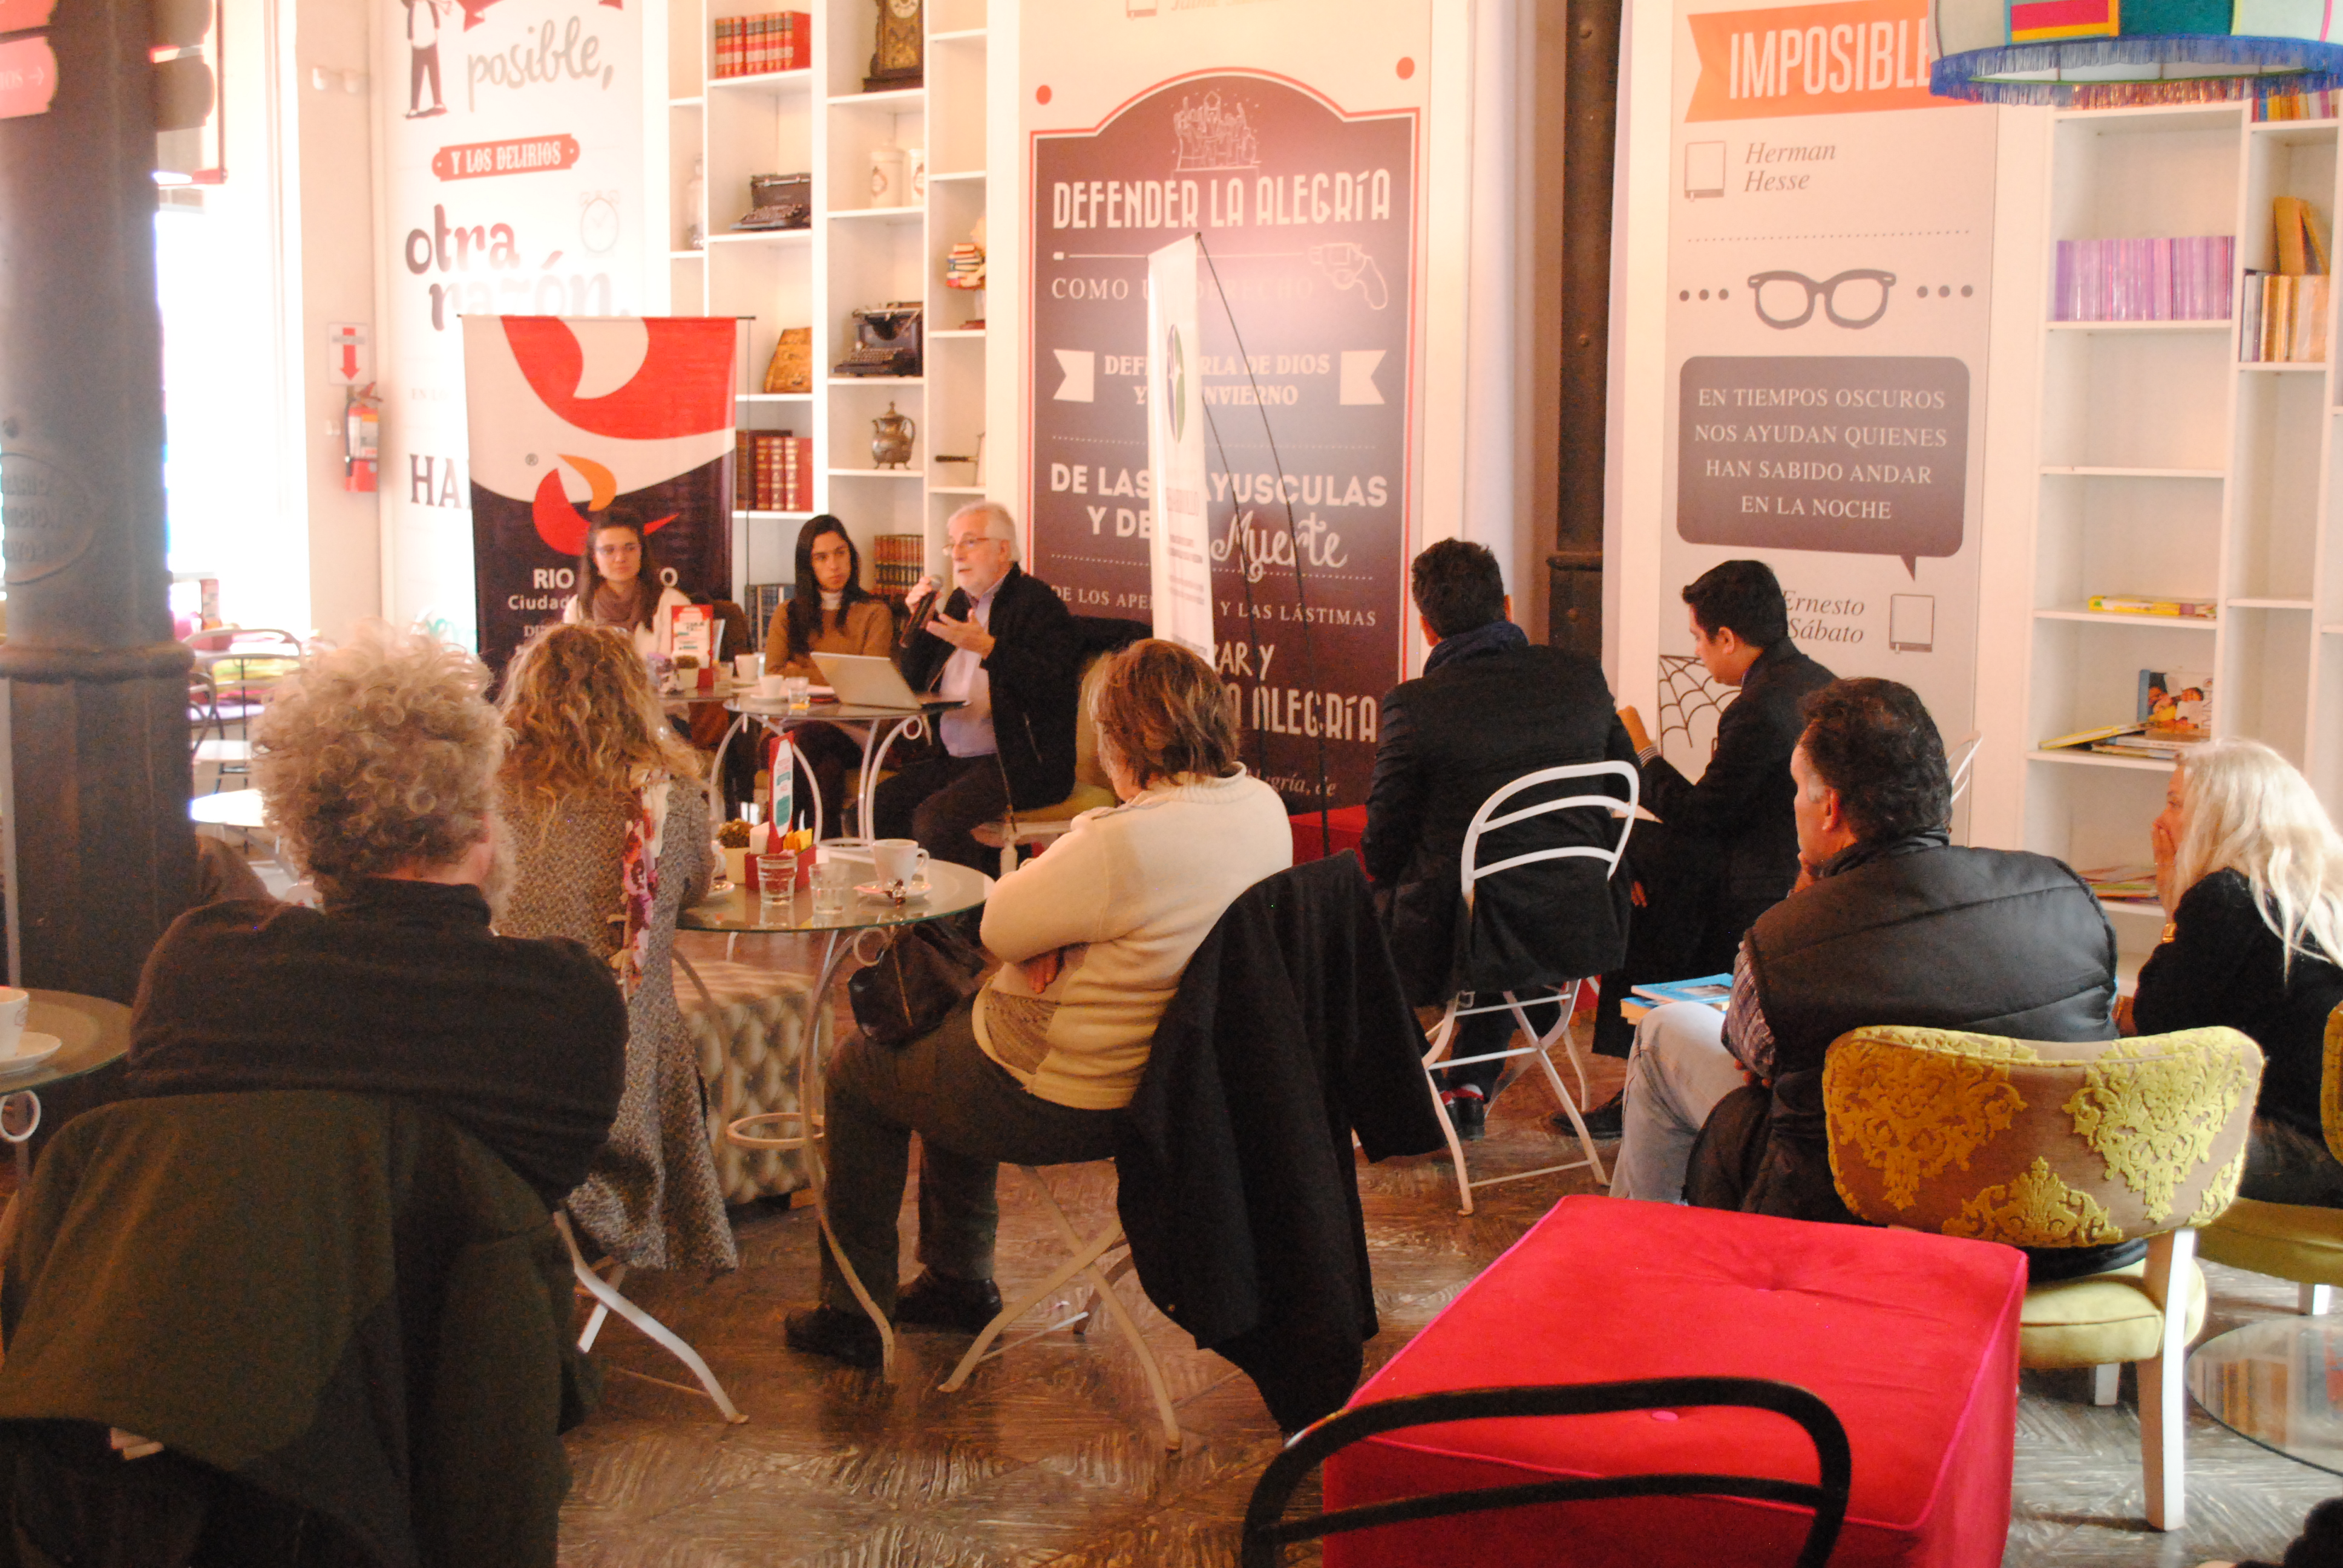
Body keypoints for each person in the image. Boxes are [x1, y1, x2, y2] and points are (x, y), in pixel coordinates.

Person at [785, 641, 1293, 1368]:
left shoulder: (1121, 842)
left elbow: (999, 925)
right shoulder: (1262, 808)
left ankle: (853, 1313)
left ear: (1119, 738)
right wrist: (1067, 929)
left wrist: (1058, 906)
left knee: (859, 1069)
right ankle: (956, 1279)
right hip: (1176, 1094)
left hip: (1063, 1093)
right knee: (946, 1038)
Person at [1613, 680, 2122, 1272]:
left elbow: (1750, 1057)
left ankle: (1639, 1269)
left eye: (1797, 791)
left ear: (1829, 808)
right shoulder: (2064, 892)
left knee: (1662, 1034)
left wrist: (1806, 898)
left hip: (1853, 1225)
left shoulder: (1782, 940)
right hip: (2060, 1234)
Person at [126, 621, 628, 1210]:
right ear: (482, 827)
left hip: (254, 1267)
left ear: (298, 831)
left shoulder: (200, 969)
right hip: (461, 1272)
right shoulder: (566, 1003)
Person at [1358, 540, 1636, 1140]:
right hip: (1578, 913)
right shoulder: (1579, 676)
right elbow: (1623, 782)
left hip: (1468, 931)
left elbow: (1381, 844)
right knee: (1493, 899)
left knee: (1356, 922)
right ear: (1506, 605)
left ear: (1426, 627)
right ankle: (1466, 1080)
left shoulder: (1416, 705)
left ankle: (1418, 1086)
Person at [495, 622, 734, 1272]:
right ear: (635, 696)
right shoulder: (667, 799)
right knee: (658, 1014)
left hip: (498, 1074)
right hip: (616, 1078)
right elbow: (691, 889)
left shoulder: (485, 793)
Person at [1585, 560, 1835, 1122]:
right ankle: (1643, 1072)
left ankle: (1648, 1072)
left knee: (1632, 862)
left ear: (1726, 637)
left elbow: (1699, 817)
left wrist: (1641, 751)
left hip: (1756, 880)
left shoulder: (1757, 710)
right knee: (1636, 855)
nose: (1697, 651)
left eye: (1698, 637)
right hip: (1788, 859)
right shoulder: (1817, 679)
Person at [2129, 740, 2343, 1206]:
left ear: (2221, 816)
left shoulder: (2228, 896)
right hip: (2332, 1145)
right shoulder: (2317, 894)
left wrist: (2173, 909)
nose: (2160, 821)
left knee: (2106, 1130)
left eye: (2175, 804)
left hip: (2304, 1154)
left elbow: (2158, 1028)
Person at [874, 501, 1080, 871]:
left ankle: (976, 908)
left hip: (1019, 763)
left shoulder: (1037, 602)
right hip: (954, 758)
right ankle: (905, 902)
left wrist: (989, 648)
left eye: (969, 542)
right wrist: (919, 623)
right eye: (953, 544)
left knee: (934, 821)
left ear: (1003, 550)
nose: (957, 554)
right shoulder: (956, 602)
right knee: (878, 807)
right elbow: (913, 681)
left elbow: (1053, 686)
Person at [764, 515, 895, 834]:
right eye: (821, 558)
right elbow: (774, 676)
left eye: (840, 553)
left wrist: (801, 674)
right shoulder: (787, 613)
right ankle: (824, 844)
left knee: (806, 742)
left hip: (851, 728)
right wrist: (840, 675)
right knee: (826, 768)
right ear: (807, 565)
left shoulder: (874, 612)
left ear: (851, 555)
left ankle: (777, 838)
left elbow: (867, 682)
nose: (834, 565)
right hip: (790, 723)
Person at [563, 515, 691, 660]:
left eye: (630, 548)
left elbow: (679, 669)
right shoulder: (577, 608)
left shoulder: (674, 604)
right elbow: (574, 667)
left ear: (642, 552)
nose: (620, 558)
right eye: (609, 550)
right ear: (594, 559)